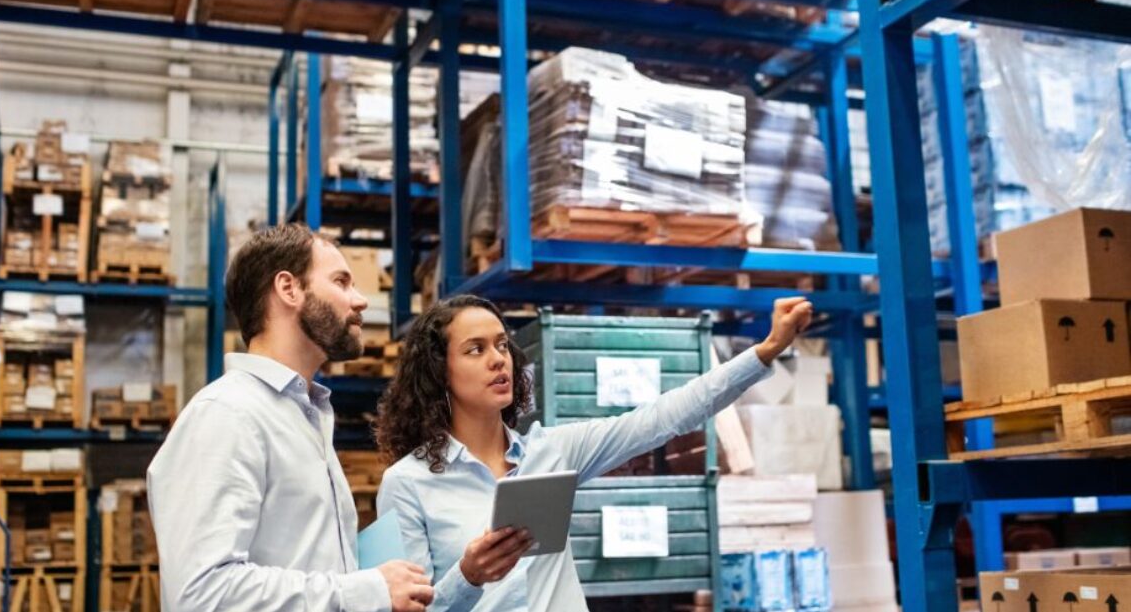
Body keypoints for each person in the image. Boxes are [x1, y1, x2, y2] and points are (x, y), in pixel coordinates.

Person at [375, 294, 812, 612]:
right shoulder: (407, 484)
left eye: (502, 345)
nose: (498, 360)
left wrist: (765, 351)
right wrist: (468, 577)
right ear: (439, 372)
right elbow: (404, 609)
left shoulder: (552, 452)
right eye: (475, 349)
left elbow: (663, 418)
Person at [147, 223, 435, 612]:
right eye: (341, 281)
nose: (361, 299)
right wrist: (365, 591)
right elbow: (201, 594)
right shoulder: (227, 415)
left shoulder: (304, 416)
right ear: (289, 289)